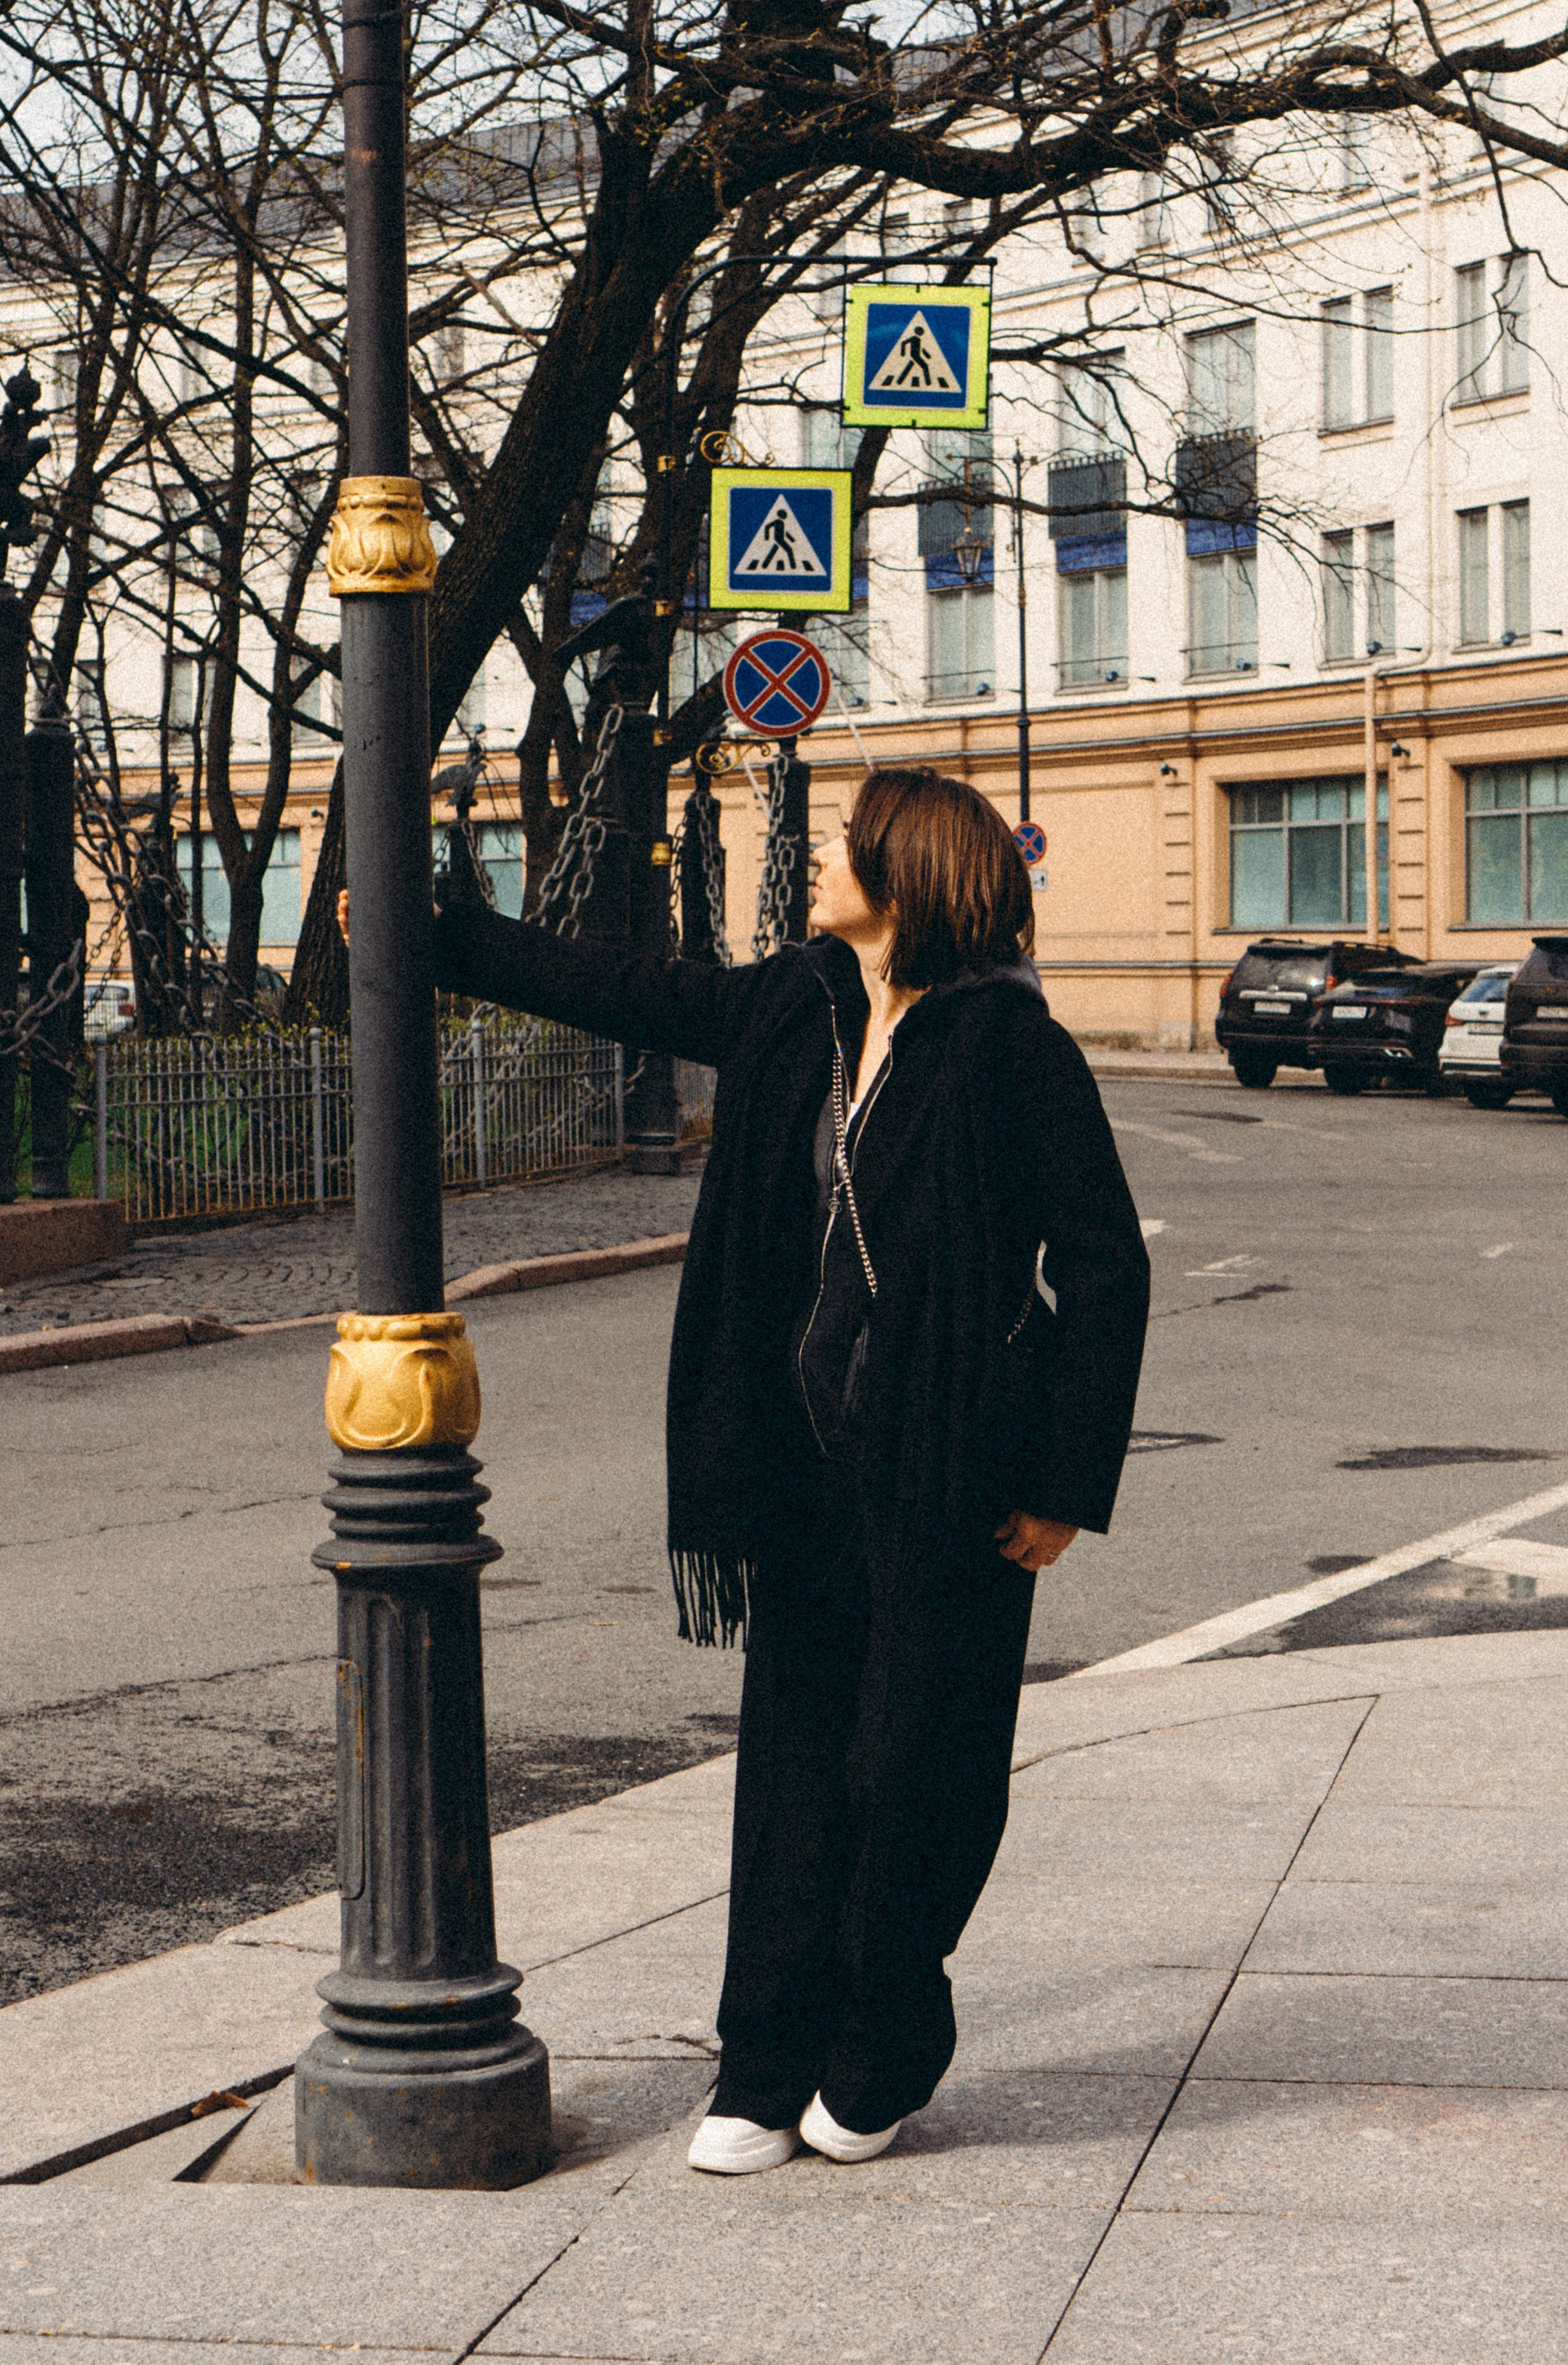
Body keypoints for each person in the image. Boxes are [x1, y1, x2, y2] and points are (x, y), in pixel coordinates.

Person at [425, 766, 1149, 2173]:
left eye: (845, 843)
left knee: (916, 1764)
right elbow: (630, 990)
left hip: (954, 1473)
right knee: (797, 1769)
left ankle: (885, 2042)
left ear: (907, 880)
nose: (820, 855)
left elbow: (1105, 1266)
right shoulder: (798, 1005)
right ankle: (763, 2062)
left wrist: (1065, 1483)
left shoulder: (1011, 1050)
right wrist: (445, 931)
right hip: (798, 1462)